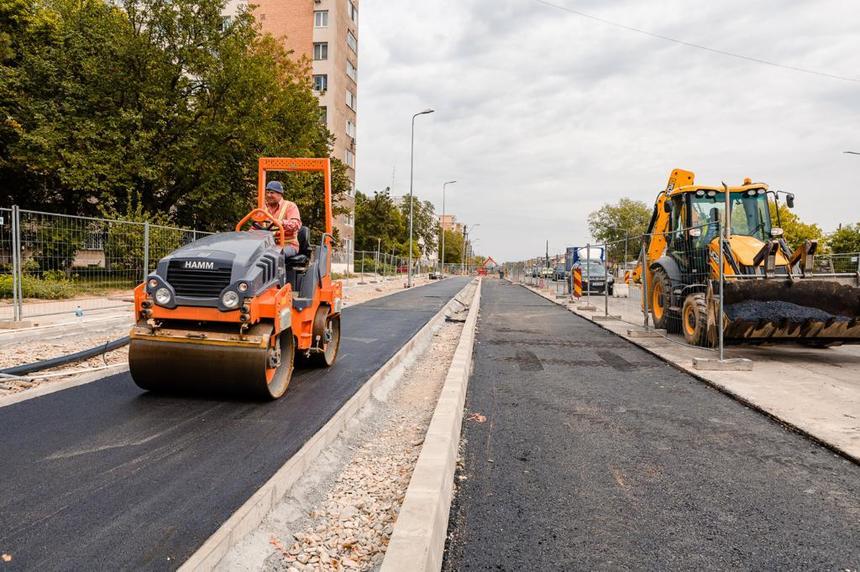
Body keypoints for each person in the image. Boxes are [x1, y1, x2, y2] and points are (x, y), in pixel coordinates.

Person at [263, 180, 302, 257]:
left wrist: (281, 223)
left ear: (280, 194)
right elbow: (255, 227)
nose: (268, 195)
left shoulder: (290, 206)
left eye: (272, 192)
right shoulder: (263, 209)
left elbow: (296, 224)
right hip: (268, 245)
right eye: (267, 192)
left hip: (288, 245)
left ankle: (276, 269)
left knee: (274, 255)